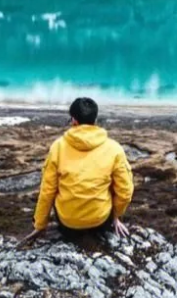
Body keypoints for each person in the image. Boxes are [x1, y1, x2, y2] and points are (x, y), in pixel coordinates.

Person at [24, 97, 134, 244]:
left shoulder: (58, 147)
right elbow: (125, 192)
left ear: (74, 121)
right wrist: (116, 216)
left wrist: (40, 225)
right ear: (95, 119)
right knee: (111, 182)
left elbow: (47, 191)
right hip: (100, 222)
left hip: (68, 224)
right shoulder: (114, 149)